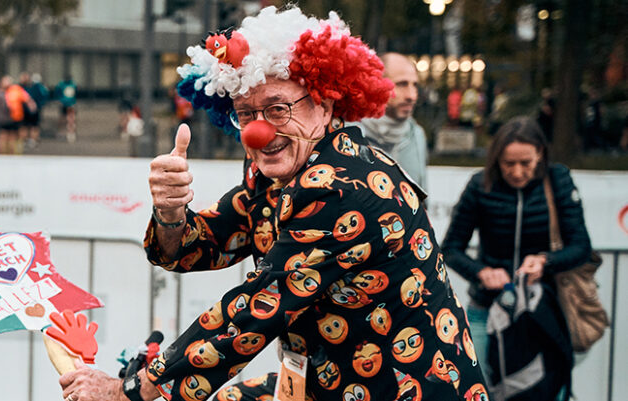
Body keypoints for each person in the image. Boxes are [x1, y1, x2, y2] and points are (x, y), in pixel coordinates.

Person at [59, 7, 486, 401]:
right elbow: (201, 244)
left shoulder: (342, 187)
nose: (259, 132)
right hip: (329, 381)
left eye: (277, 109)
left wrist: (131, 390)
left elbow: (253, 311)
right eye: (246, 114)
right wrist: (170, 214)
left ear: (324, 105)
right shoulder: (275, 175)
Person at [442, 116, 591, 400]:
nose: (518, 172)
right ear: (496, 159)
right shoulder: (479, 185)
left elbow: (581, 246)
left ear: (541, 155)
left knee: (548, 387)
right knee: (480, 387)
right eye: (509, 164)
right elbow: (451, 248)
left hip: (542, 309)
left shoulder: (558, 179)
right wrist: (482, 272)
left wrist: (545, 261)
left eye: (527, 163)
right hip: (487, 306)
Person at [354, 52, 428, 190]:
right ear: (377, 84)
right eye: (402, 84)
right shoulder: (349, 135)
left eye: (415, 85)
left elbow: (423, 203)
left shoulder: (417, 135)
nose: (411, 95)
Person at [0, 75, 33, 155]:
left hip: (12, 118)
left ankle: (9, 154)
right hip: (8, 118)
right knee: (6, 137)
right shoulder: (12, 91)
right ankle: (6, 154)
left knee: (10, 137)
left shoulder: (2, 93)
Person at [21, 72, 49, 149]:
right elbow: (45, 96)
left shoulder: (30, 88)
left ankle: (27, 140)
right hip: (34, 109)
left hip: (28, 109)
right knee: (33, 126)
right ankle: (31, 140)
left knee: (27, 126)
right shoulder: (38, 88)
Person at [55, 75, 77, 142]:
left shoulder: (73, 84)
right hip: (64, 104)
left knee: (71, 120)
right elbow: (57, 93)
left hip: (71, 104)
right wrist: (60, 100)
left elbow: (75, 94)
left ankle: (71, 133)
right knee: (62, 119)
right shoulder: (61, 85)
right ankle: (61, 133)